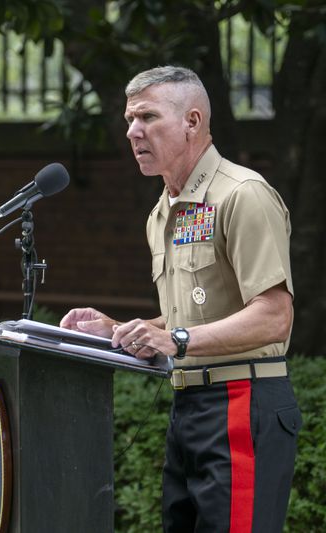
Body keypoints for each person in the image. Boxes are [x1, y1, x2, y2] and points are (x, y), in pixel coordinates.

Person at [60, 66, 302, 532]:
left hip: (241, 401)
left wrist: (176, 338)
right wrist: (120, 331)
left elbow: (275, 316)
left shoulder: (243, 194)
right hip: (189, 406)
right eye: (130, 120)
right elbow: (185, 320)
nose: (133, 132)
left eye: (148, 117)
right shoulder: (163, 209)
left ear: (192, 121)